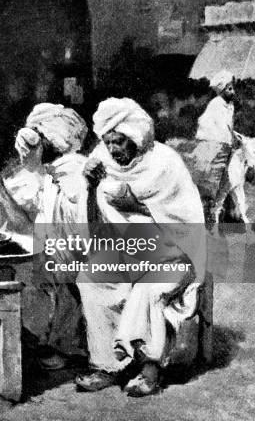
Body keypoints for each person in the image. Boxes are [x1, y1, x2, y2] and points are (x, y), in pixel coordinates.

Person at [76, 97, 206, 397]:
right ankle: (107, 366)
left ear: (135, 136)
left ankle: (150, 370)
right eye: (108, 142)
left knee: (149, 288)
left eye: (119, 142)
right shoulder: (103, 164)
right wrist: (92, 188)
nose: (113, 150)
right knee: (92, 277)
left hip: (177, 256)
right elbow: (96, 230)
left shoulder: (165, 163)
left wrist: (138, 206)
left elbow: (189, 228)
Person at [0, 103, 90, 369]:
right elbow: (31, 227)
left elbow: (61, 237)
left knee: (28, 268)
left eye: (33, 140)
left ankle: (44, 343)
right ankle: (22, 338)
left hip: (81, 257)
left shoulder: (70, 174)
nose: (23, 147)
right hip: (58, 251)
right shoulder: (46, 175)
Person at [193, 70, 238, 224]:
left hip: (224, 145)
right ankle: (207, 213)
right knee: (211, 180)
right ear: (222, 90)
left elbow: (229, 127)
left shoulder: (230, 106)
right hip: (213, 144)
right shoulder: (216, 105)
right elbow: (220, 128)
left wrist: (234, 138)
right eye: (229, 88)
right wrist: (228, 141)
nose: (233, 91)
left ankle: (221, 210)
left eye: (232, 88)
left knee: (226, 179)